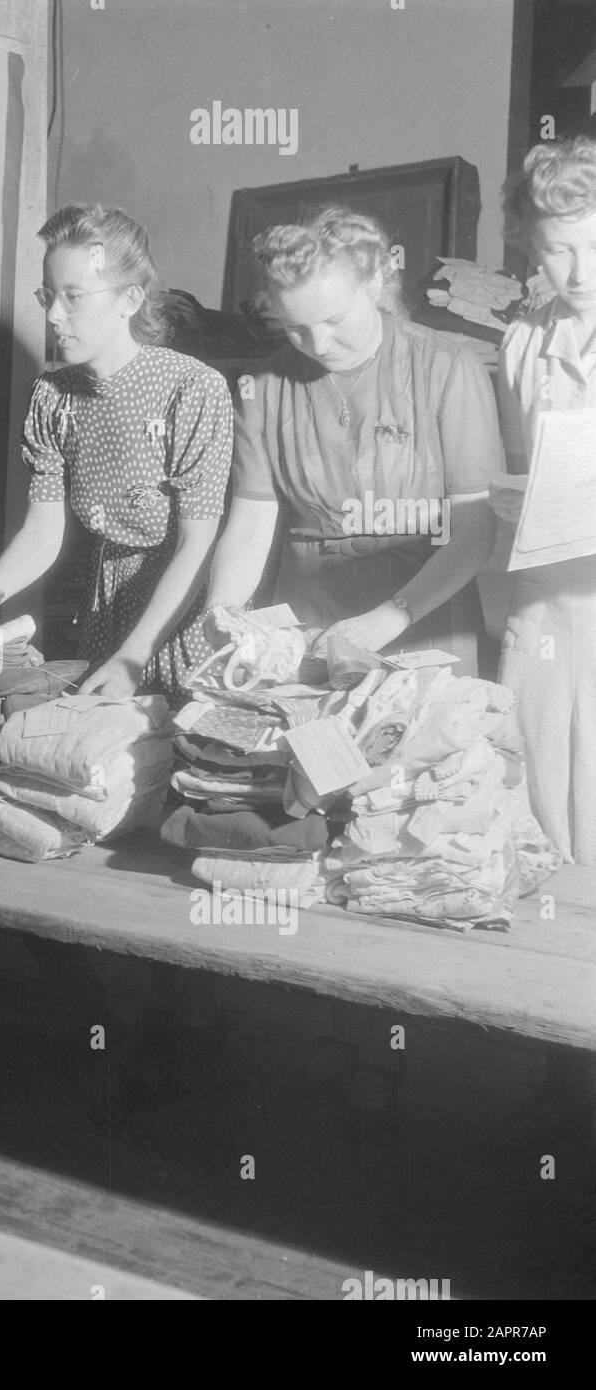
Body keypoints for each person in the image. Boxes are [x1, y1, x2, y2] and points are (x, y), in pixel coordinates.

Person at [205, 207, 501, 673]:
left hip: (425, 616)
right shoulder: (261, 386)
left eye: (334, 319)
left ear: (377, 283)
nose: (318, 344)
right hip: (308, 624)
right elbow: (251, 523)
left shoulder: (447, 368)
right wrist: (221, 611)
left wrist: (388, 619)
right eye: (295, 328)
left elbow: (475, 529)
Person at [0, 204, 233, 702]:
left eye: (73, 296)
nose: (52, 315)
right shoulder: (52, 394)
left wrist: (135, 656)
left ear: (130, 299)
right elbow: (41, 533)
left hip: (185, 609)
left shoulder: (193, 388)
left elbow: (196, 545)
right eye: (48, 295)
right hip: (104, 607)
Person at [493, 137, 596, 864]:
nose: (581, 272)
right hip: (545, 601)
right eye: (559, 250)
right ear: (531, 244)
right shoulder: (521, 345)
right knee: (535, 803)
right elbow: (511, 466)